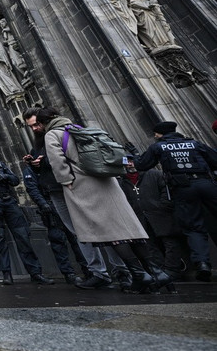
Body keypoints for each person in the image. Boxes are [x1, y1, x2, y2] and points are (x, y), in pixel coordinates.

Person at [39, 108, 174, 293]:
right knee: (130, 230)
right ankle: (157, 272)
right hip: (108, 182)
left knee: (113, 234)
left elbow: (57, 161)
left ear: (45, 122)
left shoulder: (53, 134)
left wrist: (66, 181)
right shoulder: (79, 128)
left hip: (86, 186)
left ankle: (140, 275)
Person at [23, 108, 128, 290]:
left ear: (43, 122)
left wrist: (62, 176)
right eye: (30, 127)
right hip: (56, 188)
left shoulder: (58, 134)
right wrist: (36, 165)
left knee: (98, 228)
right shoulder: (41, 143)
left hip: (72, 186)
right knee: (80, 232)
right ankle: (100, 272)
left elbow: (70, 159)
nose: (34, 129)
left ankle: (119, 270)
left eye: (35, 125)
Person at [133, 121, 217, 282]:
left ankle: (202, 264)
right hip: (206, 183)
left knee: (193, 227)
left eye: (156, 134)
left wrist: (135, 155)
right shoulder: (194, 143)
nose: (155, 136)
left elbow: (142, 165)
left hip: (183, 188)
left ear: (160, 134)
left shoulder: (158, 147)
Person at [0, 143, 54, 286]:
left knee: (23, 237)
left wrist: (5, 177)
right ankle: (6, 274)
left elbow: (15, 180)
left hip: (9, 202)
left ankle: (36, 273)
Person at [21, 152, 85, 285]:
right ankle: (68, 273)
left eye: (40, 157)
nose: (38, 160)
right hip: (49, 206)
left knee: (76, 237)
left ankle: (88, 269)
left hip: (62, 202)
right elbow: (32, 188)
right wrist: (43, 204)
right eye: (35, 158)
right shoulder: (29, 171)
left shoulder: (50, 167)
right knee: (58, 240)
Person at [120, 159, 185, 281]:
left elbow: (166, 190)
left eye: (132, 160)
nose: (129, 164)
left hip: (160, 213)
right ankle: (160, 271)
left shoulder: (154, 174)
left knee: (170, 241)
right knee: (149, 245)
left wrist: (163, 205)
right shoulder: (123, 181)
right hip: (139, 216)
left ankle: (172, 269)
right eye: (126, 162)